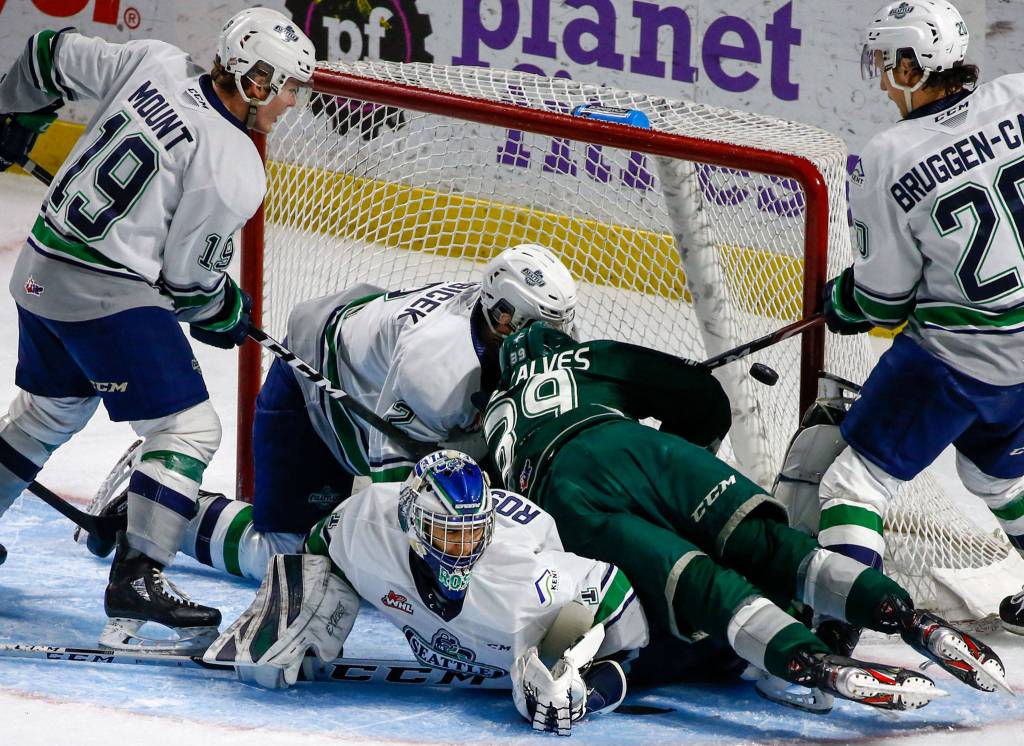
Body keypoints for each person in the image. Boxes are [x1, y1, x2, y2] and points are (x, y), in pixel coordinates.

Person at [480, 321, 1011, 712]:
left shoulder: (488, 426)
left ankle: (809, 666)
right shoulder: (586, 356)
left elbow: (504, 524)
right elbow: (702, 398)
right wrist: (676, 477)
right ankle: (909, 618)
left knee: (699, 585)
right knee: (768, 542)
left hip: (564, 498)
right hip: (636, 447)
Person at [0, 7, 314, 653]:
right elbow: (188, 284)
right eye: (287, 86)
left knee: (49, 413)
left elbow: (47, 51)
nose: (291, 101)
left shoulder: (154, 61)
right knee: (188, 428)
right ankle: (137, 578)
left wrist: (14, 115)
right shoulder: (234, 164)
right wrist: (224, 310)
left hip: (39, 268)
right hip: (101, 292)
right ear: (255, 80)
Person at [82, 244, 578, 578]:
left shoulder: (516, 333)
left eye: (558, 326)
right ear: (501, 316)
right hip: (316, 390)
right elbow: (395, 496)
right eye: (540, 325)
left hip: (378, 372)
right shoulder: (438, 368)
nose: (553, 340)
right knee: (291, 557)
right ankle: (158, 504)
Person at [819, 0, 1024, 635]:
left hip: (957, 360)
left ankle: (841, 627)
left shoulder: (890, 155)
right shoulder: (1018, 95)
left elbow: (884, 299)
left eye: (889, 63)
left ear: (913, 65)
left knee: (854, 485)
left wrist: (843, 301)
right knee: (995, 476)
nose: (884, 79)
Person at [203, 450, 648, 736]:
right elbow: (321, 542)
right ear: (411, 524)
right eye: (447, 534)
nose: (462, 550)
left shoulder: (521, 576)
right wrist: (305, 603)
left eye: (472, 534)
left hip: (554, 569)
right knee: (267, 551)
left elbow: (613, 589)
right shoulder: (368, 521)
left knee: (556, 694)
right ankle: (188, 510)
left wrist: (580, 683)